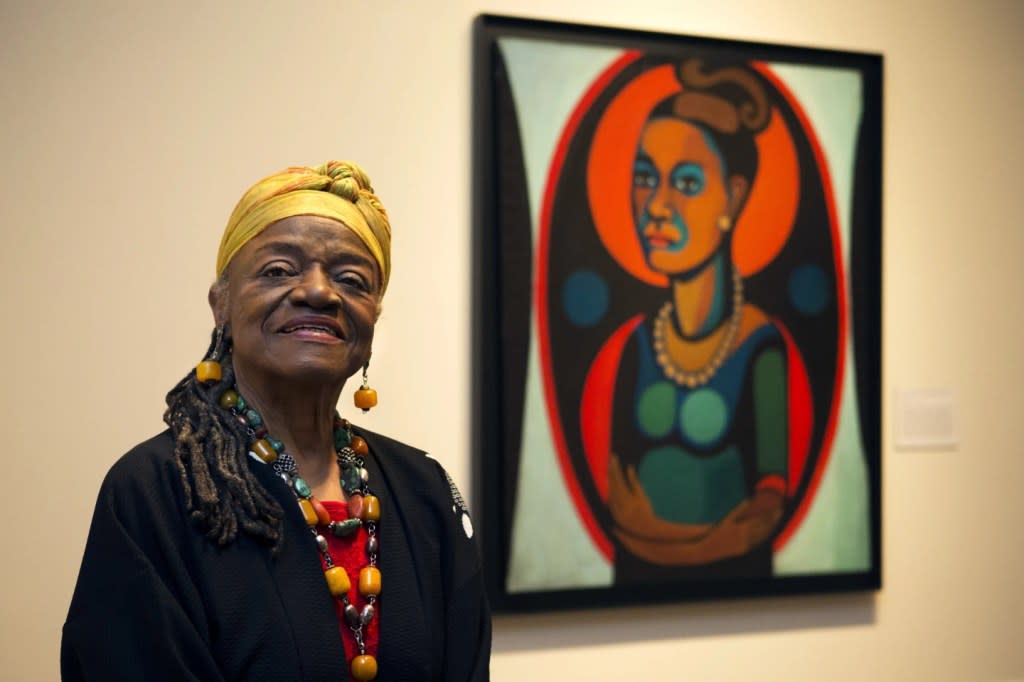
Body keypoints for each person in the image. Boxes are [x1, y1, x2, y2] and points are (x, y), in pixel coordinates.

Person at [61, 161, 491, 680]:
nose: (318, 292)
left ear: (373, 315)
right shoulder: (156, 491)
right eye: (279, 271)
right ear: (221, 304)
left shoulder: (425, 492)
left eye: (351, 279)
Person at [606, 61, 789, 581]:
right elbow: (621, 510)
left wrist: (668, 544)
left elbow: (764, 514)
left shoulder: (760, 348)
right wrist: (702, 540)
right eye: (646, 178)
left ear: (731, 198)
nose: (657, 206)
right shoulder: (639, 346)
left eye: (686, 182)